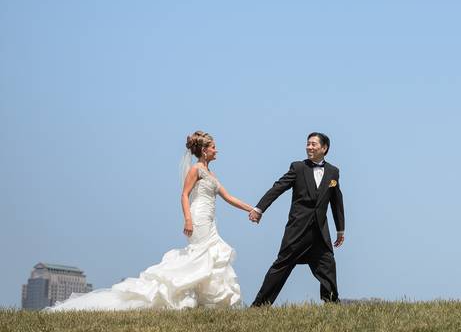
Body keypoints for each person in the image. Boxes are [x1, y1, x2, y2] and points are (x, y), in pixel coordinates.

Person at [46, 131, 256, 310]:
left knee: (210, 257)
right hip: (198, 219)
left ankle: (201, 300)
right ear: (204, 150)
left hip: (210, 222)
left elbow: (228, 197)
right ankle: (176, 294)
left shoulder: (211, 173)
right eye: (213, 147)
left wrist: (253, 209)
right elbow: (184, 195)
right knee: (200, 257)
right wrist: (188, 219)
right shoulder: (195, 170)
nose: (216, 150)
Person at [250, 132, 345, 305]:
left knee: (328, 265)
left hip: (320, 232)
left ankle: (331, 303)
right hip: (298, 230)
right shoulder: (298, 168)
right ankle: (259, 306)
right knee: (281, 266)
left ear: (324, 148)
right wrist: (259, 208)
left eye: (313, 144)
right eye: (308, 144)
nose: (309, 147)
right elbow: (278, 188)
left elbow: (336, 201)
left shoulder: (333, 172)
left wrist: (340, 229)